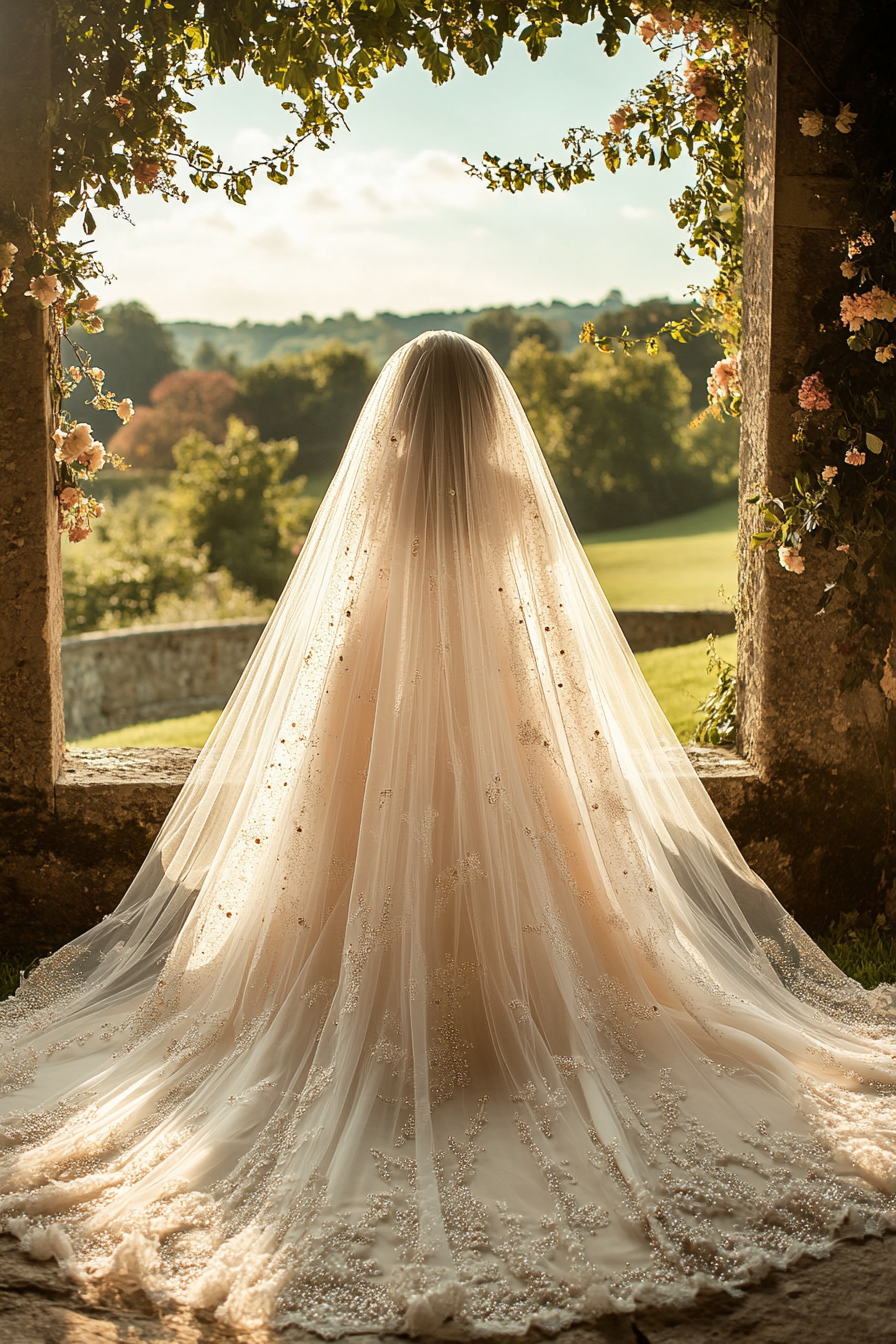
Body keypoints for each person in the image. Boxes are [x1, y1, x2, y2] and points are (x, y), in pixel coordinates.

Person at [0, 331, 895, 1336]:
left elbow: (335, 616)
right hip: (496, 714)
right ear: (482, 411)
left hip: (368, 708)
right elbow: (541, 623)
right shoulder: (508, 492)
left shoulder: (375, 490)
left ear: (398, 413)